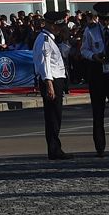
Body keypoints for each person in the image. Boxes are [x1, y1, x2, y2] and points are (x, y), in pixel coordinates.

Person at [78, 4, 109, 157]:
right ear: (98, 18)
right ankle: (100, 147)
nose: (105, 22)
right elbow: (84, 49)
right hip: (97, 70)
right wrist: (93, 56)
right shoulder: (90, 30)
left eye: (108, 19)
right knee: (98, 112)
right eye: (103, 19)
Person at [31, 12, 71, 160]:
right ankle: (54, 149)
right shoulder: (45, 39)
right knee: (53, 117)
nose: (60, 29)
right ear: (53, 25)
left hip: (55, 79)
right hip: (52, 80)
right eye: (59, 26)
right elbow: (44, 63)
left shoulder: (50, 39)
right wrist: (49, 84)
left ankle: (55, 148)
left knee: (55, 116)